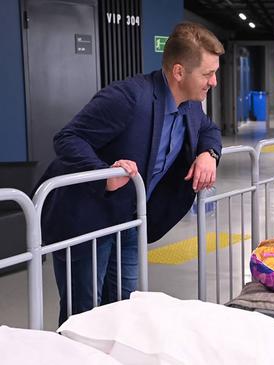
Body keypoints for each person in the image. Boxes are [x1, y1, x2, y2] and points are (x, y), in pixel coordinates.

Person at [37, 22, 224, 324]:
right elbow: (68, 138)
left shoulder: (190, 106)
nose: (213, 81)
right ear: (179, 72)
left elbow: (209, 130)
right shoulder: (127, 97)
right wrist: (102, 173)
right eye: (207, 73)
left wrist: (208, 154)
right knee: (84, 313)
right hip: (87, 221)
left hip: (129, 222)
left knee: (123, 306)